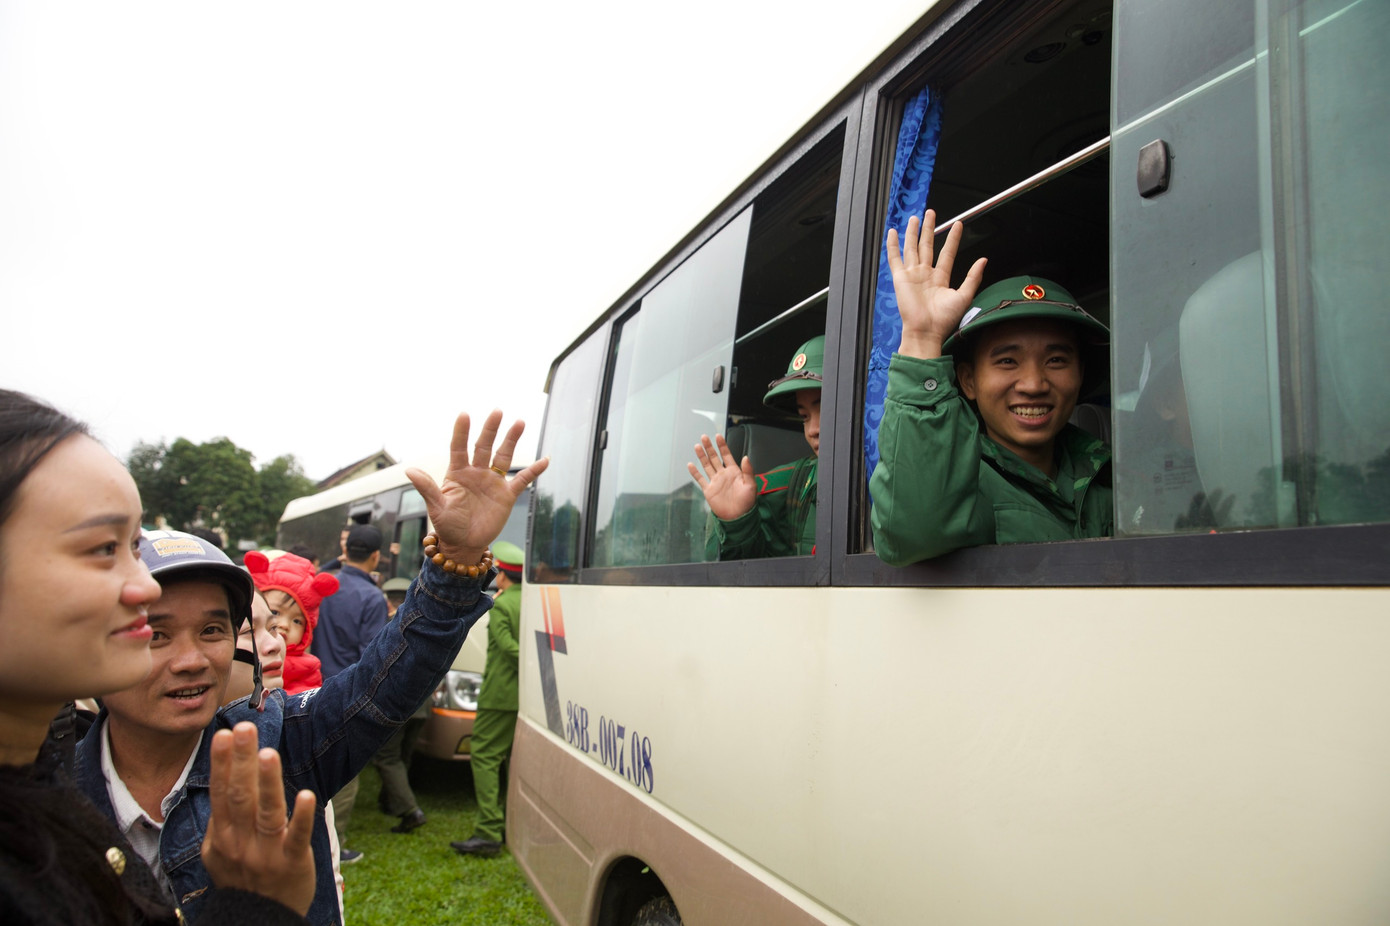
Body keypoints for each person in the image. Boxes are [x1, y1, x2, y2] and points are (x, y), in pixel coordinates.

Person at [72, 410, 544, 925]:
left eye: (212, 630)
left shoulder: (282, 745)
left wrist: (456, 557)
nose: (190, 661)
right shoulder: (46, 798)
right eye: (157, 634)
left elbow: (385, 681)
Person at [0, 389, 314, 924]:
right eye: (104, 548)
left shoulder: (39, 785)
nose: (146, 588)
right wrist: (252, 908)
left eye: (133, 546)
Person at [869, 208, 1113, 564]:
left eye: (1056, 360)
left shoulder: (1114, 474)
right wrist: (922, 339)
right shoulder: (958, 480)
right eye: (1007, 361)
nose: (1033, 384)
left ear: (1080, 374)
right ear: (967, 381)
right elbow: (909, 536)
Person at [688, 335, 824, 559]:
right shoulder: (792, 487)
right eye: (805, 417)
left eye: (825, 407)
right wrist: (737, 523)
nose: (813, 429)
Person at [310, 523, 388, 861]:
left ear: (346, 551)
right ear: (375, 556)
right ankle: (332, 844)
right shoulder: (371, 596)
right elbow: (372, 653)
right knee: (342, 768)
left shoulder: (322, 585)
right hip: (345, 689)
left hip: (309, 684)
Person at [451, 540, 524, 857]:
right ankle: (510, 825)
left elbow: (509, 651)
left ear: (503, 575)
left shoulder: (504, 605)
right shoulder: (529, 601)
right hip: (524, 697)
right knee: (512, 759)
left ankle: (488, 831)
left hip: (499, 694)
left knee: (483, 756)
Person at [369, 577, 429, 834]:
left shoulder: (390, 624)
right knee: (402, 756)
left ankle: (410, 811)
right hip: (422, 703)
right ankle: (390, 801)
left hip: (397, 702)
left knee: (387, 756)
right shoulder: (427, 622)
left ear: (389, 599)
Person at [246, 551, 338, 693]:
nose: (284, 625)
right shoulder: (239, 652)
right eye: (275, 612)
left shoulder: (309, 669)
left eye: (297, 621)